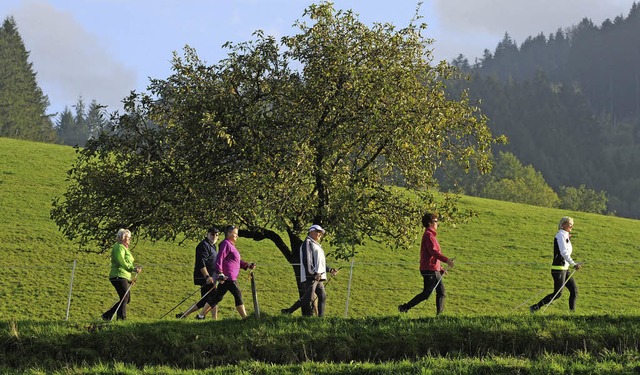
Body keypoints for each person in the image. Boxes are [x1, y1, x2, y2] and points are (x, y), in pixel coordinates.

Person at [398, 213, 454, 315]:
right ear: (430, 223)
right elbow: (433, 252)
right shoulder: (428, 235)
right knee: (427, 293)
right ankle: (404, 307)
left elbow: (433, 255)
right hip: (429, 269)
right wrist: (447, 260)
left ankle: (439, 316)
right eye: (436, 221)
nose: (437, 223)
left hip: (433, 269)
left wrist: (440, 268)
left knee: (441, 292)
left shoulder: (431, 235)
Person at [281, 224, 338, 317]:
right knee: (308, 298)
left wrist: (329, 269)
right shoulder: (307, 243)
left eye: (321, 233)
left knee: (322, 296)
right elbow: (307, 260)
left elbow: (319, 263)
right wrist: (313, 273)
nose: (320, 234)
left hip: (318, 276)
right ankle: (288, 311)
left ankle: (321, 319)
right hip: (312, 276)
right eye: (318, 232)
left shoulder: (317, 245)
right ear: (311, 232)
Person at [530, 216, 583, 313]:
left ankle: (572, 314)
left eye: (572, 224)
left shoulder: (565, 235)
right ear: (563, 225)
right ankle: (535, 307)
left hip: (565, 268)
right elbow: (564, 252)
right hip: (558, 268)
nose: (572, 226)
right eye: (569, 224)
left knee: (574, 291)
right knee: (558, 294)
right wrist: (574, 264)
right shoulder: (560, 235)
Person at [206, 225, 256, 319]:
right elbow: (219, 258)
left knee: (217, 297)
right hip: (228, 276)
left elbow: (236, 261)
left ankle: (201, 315)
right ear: (228, 233)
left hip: (228, 276)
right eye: (235, 234)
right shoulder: (226, 244)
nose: (237, 236)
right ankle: (245, 318)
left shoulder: (231, 245)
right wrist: (219, 272)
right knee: (238, 295)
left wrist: (247, 265)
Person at [176, 227, 220, 320]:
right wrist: (207, 276)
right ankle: (209, 318)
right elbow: (201, 262)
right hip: (206, 277)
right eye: (212, 234)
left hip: (212, 277)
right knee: (214, 297)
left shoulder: (212, 246)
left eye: (216, 235)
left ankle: (183, 315)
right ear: (207, 234)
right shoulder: (204, 245)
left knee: (205, 300)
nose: (214, 237)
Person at [101, 228, 142, 321]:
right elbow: (121, 261)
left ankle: (107, 315)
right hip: (118, 275)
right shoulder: (119, 247)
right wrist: (133, 268)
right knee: (125, 297)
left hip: (123, 276)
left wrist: (129, 279)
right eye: (128, 238)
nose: (129, 240)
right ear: (122, 238)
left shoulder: (124, 248)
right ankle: (121, 319)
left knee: (126, 299)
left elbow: (126, 263)